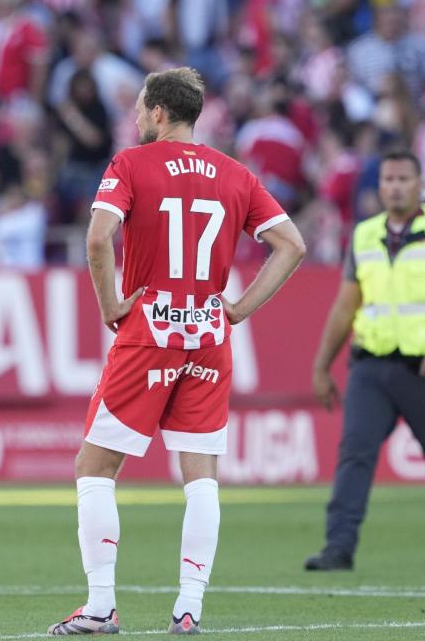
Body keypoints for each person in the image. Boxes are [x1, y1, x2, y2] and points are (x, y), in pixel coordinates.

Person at [49, 68, 307, 636]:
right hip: (210, 334)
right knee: (201, 477)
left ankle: (99, 607)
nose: (137, 117)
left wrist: (110, 303)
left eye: (142, 108)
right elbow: (292, 245)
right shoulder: (235, 173)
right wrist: (238, 308)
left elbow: (97, 238)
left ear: (160, 112)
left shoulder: (130, 164)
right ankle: (189, 607)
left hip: (150, 330)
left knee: (95, 469)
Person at [306, 150, 425, 571]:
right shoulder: (365, 234)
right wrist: (321, 365)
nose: (394, 186)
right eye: (388, 179)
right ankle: (338, 547)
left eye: (403, 179)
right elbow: (344, 306)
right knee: (355, 452)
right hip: (370, 365)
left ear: (420, 182)